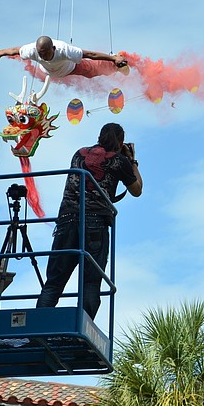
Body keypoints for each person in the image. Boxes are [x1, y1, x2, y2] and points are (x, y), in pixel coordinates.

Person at [35, 123, 142, 317]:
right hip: (95, 223)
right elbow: (137, 190)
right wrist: (132, 161)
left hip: (66, 221)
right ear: (120, 141)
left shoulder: (79, 153)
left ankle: (37, 327)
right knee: (91, 283)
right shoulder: (119, 161)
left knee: (54, 282)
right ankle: (82, 334)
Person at [0, 36, 128, 79]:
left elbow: (91, 54)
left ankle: (115, 65)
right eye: (40, 53)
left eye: (46, 53)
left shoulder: (64, 50)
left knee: (91, 71)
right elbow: (14, 50)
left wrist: (113, 58)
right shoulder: (32, 50)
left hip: (70, 68)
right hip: (51, 72)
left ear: (53, 48)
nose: (43, 56)